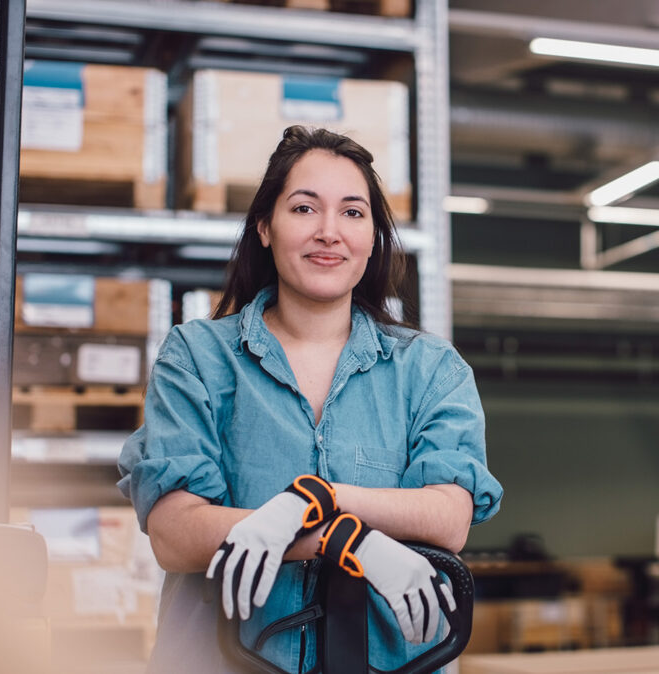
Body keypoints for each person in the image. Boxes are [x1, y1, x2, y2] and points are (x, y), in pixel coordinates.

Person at [118, 126, 503, 673]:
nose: (329, 232)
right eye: (304, 209)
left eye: (352, 213)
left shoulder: (430, 369)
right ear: (265, 227)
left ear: (372, 238)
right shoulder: (198, 358)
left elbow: (447, 517)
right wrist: (339, 539)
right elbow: (175, 535)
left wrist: (314, 498)